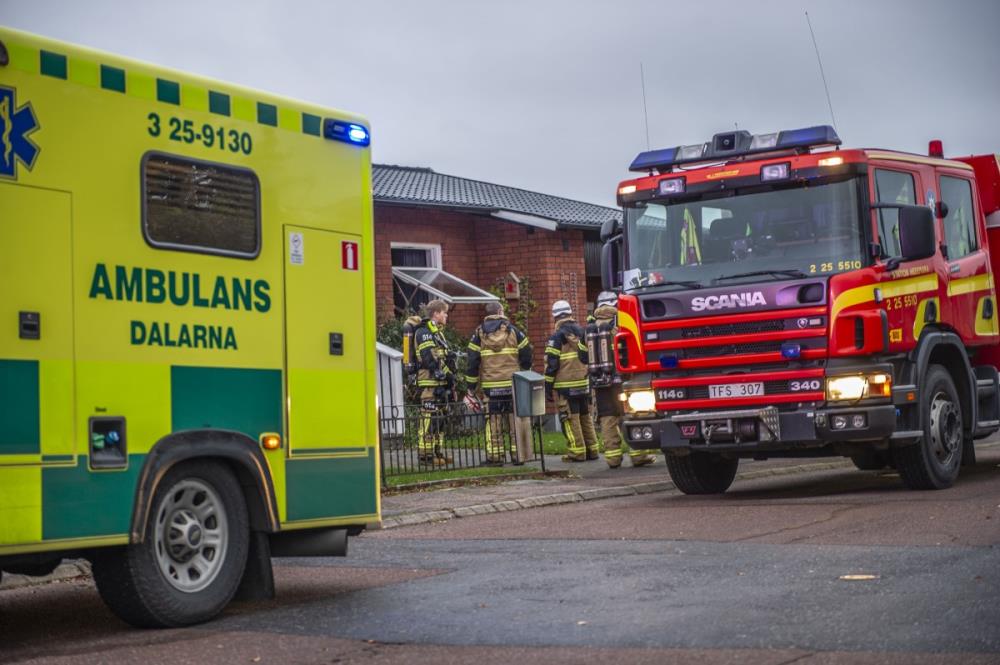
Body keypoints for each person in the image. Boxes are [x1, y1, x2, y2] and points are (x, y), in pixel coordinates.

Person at [587, 291, 656, 469]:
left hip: (601, 382)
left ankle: (613, 458)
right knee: (631, 415)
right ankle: (639, 455)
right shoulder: (622, 322)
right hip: (623, 379)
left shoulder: (591, 328)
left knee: (607, 418)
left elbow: (582, 355)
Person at [465, 302, 533, 465]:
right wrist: (524, 373)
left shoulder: (478, 334)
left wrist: (471, 388)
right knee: (514, 419)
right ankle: (518, 456)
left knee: (493, 421)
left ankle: (495, 456)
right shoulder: (514, 331)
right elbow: (527, 354)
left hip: (491, 386)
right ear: (500, 311)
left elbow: (472, 362)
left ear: (487, 314)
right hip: (512, 384)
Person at [545, 299, 599, 462]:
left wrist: (548, 387)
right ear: (570, 313)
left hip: (565, 387)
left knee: (569, 420)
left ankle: (577, 453)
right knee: (585, 417)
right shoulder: (583, 332)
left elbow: (552, 365)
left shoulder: (556, 337)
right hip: (584, 384)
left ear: (555, 317)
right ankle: (593, 450)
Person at [414, 299, 455, 466]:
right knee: (429, 419)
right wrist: (447, 374)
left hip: (440, 383)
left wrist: (450, 373)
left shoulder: (437, 333)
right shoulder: (424, 332)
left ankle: (437, 452)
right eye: (444, 312)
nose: (446, 316)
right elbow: (430, 358)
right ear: (436, 313)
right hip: (429, 382)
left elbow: (442, 356)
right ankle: (425, 456)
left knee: (440, 420)